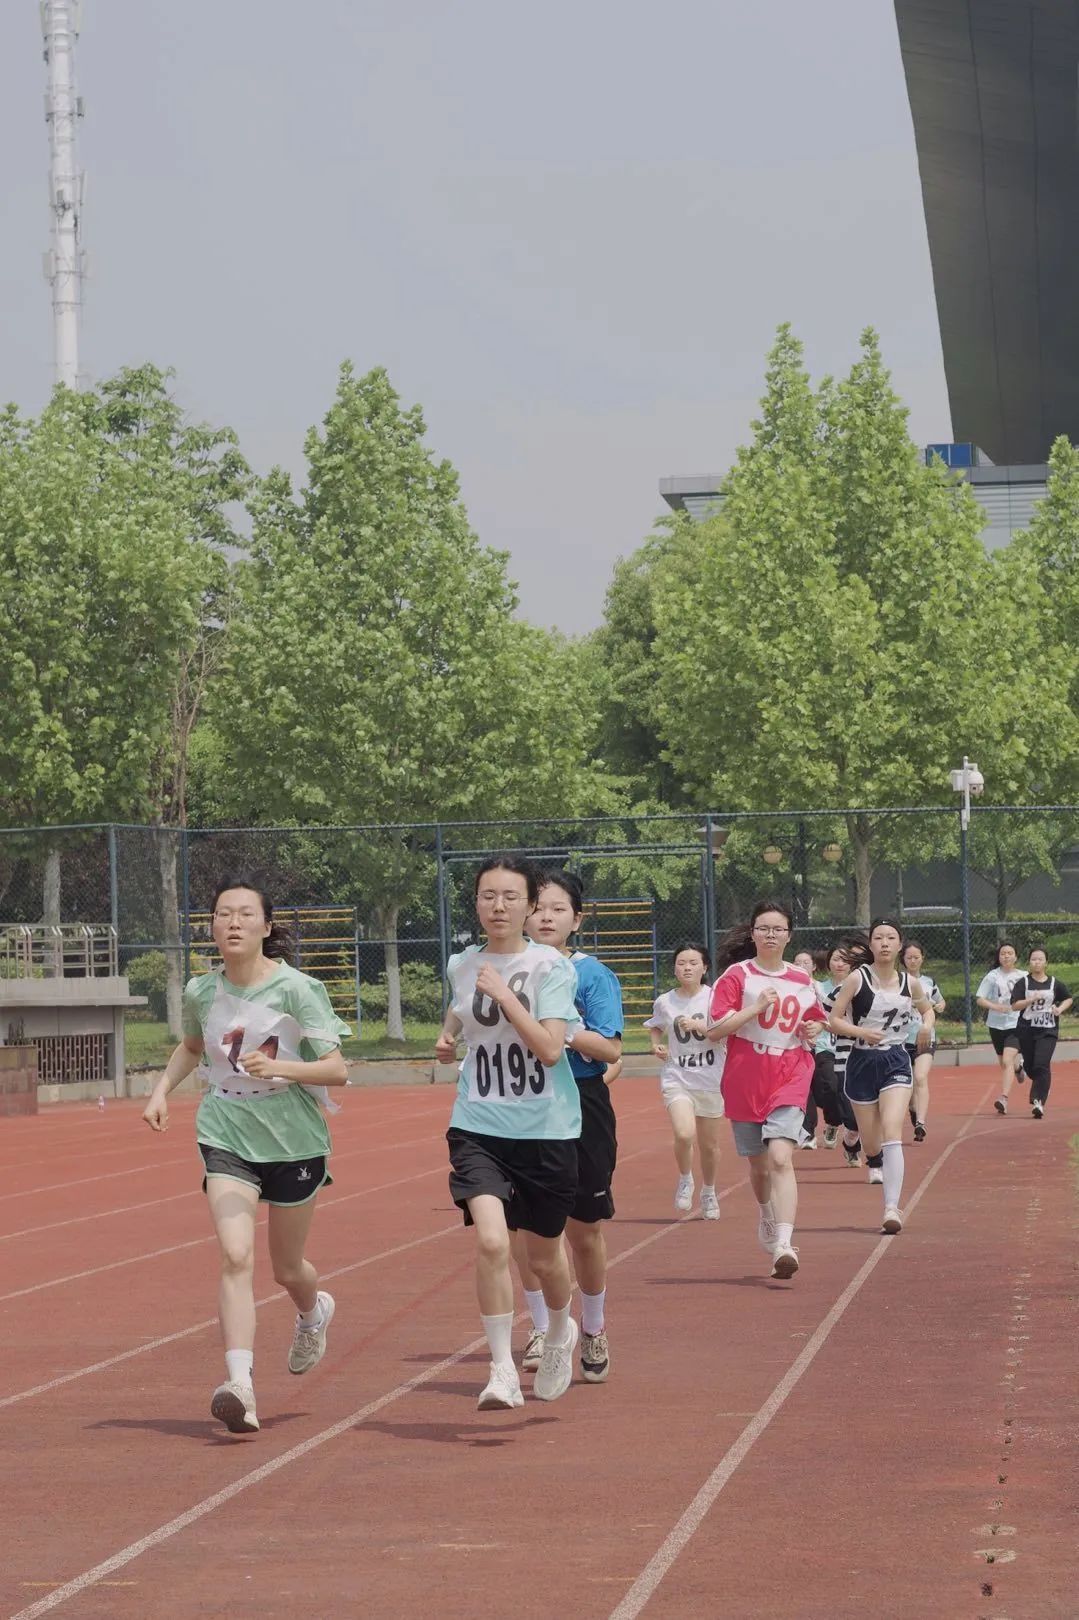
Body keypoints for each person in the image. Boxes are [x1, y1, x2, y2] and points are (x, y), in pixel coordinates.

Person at [142, 879, 351, 1435]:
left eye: (244, 914)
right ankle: (240, 1384)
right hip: (226, 1132)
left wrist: (280, 1067)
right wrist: (161, 1090)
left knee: (287, 1268)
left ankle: (313, 1311)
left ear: (266, 926)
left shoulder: (298, 989)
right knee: (236, 1255)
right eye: (222, 914)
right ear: (211, 926)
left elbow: (336, 1069)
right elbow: (192, 1047)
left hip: (293, 1139)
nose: (233, 923)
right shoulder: (200, 991)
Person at [436, 855, 583, 1410]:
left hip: (545, 1128)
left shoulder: (551, 967)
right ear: (476, 903)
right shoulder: (462, 963)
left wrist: (505, 996)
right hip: (478, 1123)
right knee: (493, 1241)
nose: (498, 906)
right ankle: (500, 1368)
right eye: (488, 896)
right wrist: (448, 1037)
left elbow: (549, 1049)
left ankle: (560, 1331)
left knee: (544, 1259)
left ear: (529, 905)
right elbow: (459, 1012)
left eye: (510, 897)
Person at [512, 869, 623, 1384]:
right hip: (519, 1104)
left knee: (583, 1230)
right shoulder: (505, 970)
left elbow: (611, 1049)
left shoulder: (591, 975)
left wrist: (564, 1028)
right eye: (538, 907)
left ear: (577, 919)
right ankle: (541, 1326)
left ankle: (593, 1326)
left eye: (558, 909)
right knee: (523, 1227)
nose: (546, 917)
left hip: (580, 1102)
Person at [706, 902, 824, 1280]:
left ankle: (785, 1244)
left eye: (778, 929)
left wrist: (813, 1029)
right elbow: (714, 1030)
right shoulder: (737, 976)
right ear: (753, 933)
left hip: (790, 1071)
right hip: (746, 1077)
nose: (771, 935)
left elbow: (814, 1022)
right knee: (759, 1166)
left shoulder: (802, 979)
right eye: (763, 928)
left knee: (780, 1157)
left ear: (789, 936)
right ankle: (767, 1214)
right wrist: (754, 1008)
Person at [827, 917, 934, 1235]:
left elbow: (927, 1010)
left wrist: (926, 1026)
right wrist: (861, 1032)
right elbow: (834, 1020)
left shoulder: (910, 983)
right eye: (878, 937)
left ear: (900, 945)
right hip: (861, 1062)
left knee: (892, 1131)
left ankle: (891, 1208)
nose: (885, 943)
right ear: (871, 944)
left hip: (895, 1061)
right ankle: (866, 1153)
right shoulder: (857, 979)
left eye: (891, 938)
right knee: (872, 1144)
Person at [645, 942, 725, 1216]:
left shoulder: (716, 998)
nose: (687, 968)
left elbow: (727, 1030)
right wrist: (656, 1045)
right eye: (681, 963)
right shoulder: (665, 1001)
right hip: (676, 1075)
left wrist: (699, 1025)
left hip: (710, 1078)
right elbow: (655, 1025)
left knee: (709, 1145)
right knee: (683, 1133)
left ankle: (709, 1192)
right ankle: (685, 1178)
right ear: (674, 969)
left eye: (693, 963)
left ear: (705, 967)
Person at [1010, 948, 1072, 1119]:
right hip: (1027, 1030)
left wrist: (1059, 1009)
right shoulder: (1023, 983)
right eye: (1033, 959)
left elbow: (1068, 998)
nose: (1037, 962)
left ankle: (1038, 1101)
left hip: (1048, 1030)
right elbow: (1014, 1005)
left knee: (1042, 1064)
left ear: (1046, 963)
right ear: (1029, 962)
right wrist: (1029, 1000)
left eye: (1040, 959)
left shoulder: (1054, 983)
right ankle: (1029, 1071)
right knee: (1032, 1067)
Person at [901, 940, 946, 1142]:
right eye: (909, 957)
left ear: (922, 959)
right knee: (908, 1082)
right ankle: (913, 1108)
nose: (913, 961)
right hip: (902, 1039)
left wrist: (940, 1006)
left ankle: (920, 1122)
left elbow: (940, 1001)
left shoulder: (929, 982)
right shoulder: (897, 981)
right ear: (903, 959)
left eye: (916, 957)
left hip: (925, 1037)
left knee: (920, 1077)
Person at [977, 942, 1024, 1115]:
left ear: (1016, 956)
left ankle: (1003, 1098)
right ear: (998, 957)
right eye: (1003, 953)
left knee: (1007, 1060)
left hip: (1016, 1023)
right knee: (1005, 1063)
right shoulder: (992, 976)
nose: (1006, 956)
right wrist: (995, 1007)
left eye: (1010, 953)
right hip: (996, 1024)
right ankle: (1018, 1068)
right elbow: (980, 999)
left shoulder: (1023, 976)